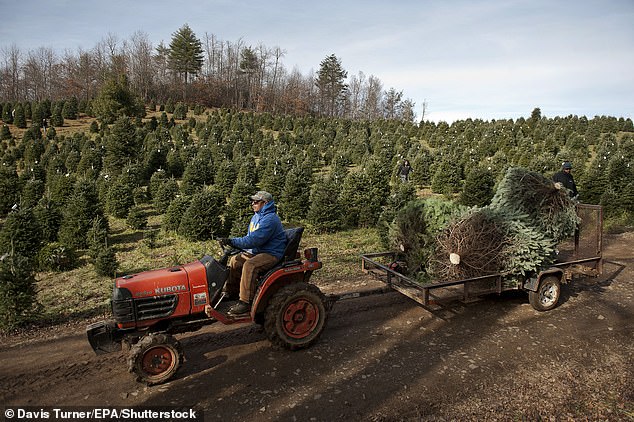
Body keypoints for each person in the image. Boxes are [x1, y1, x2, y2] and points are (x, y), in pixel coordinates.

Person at [219, 191, 287, 315]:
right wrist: (237, 247)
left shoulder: (270, 219)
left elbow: (255, 239)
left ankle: (245, 302)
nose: (252, 203)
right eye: (253, 201)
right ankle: (232, 292)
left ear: (265, 203)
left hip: (271, 253)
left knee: (250, 265)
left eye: (256, 201)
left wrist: (232, 241)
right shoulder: (256, 217)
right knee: (235, 260)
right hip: (258, 250)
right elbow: (250, 238)